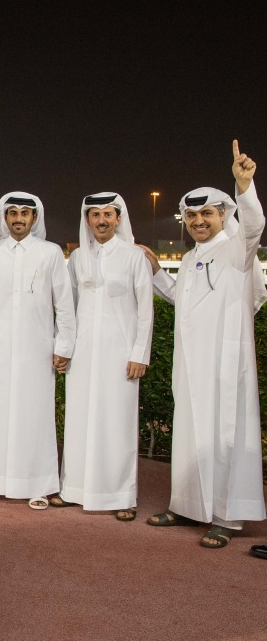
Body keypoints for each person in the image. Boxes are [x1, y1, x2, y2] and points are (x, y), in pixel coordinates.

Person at [141, 141, 265, 548]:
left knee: (225, 434)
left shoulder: (236, 249)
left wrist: (244, 186)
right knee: (190, 434)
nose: (198, 221)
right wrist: (159, 273)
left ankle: (227, 518)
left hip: (224, 365)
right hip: (190, 365)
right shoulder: (194, 256)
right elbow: (183, 300)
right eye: (191, 215)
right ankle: (188, 505)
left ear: (223, 215)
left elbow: (254, 226)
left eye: (206, 214)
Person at [0, 192, 75, 510]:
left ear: (35, 218)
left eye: (25, 213)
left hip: (37, 349)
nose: (18, 218)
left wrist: (64, 346)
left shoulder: (50, 253)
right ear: (4, 218)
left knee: (35, 414)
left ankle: (38, 484)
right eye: (12, 212)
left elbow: (65, 305)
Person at [54, 192, 152, 520]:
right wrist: (64, 349)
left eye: (107, 214)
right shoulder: (79, 258)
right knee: (79, 421)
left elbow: (145, 311)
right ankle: (74, 489)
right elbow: (67, 308)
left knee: (117, 423)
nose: (101, 220)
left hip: (120, 354)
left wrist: (140, 353)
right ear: (87, 220)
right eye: (94, 215)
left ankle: (121, 496)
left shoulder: (133, 256)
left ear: (119, 219)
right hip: (82, 354)